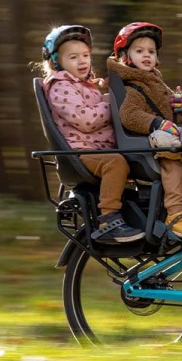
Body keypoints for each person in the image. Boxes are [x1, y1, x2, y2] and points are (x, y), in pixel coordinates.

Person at [38, 25, 145, 243]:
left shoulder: (83, 85)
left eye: (85, 55)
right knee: (115, 163)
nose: (82, 61)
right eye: (73, 57)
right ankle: (109, 221)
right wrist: (113, 105)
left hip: (95, 149)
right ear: (56, 62)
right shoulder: (60, 86)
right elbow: (85, 120)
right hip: (81, 152)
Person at [107, 22, 182, 240]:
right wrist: (158, 123)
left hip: (170, 139)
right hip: (148, 149)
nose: (147, 55)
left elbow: (175, 114)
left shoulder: (155, 81)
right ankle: (176, 215)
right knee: (174, 163)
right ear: (125, 55)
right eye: (139, 51)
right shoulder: (132, 86)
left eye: (151, 51)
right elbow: (129, 115)